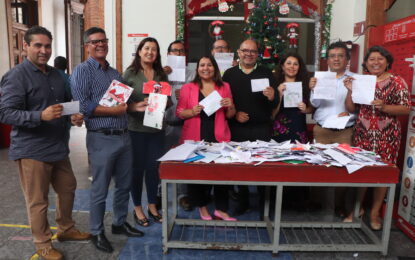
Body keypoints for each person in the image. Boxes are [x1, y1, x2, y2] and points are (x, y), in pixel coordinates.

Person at [0, 26, 90, 260]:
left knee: (68, 188)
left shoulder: (56, 75)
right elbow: (6, 113)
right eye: (38, 45)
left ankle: (66, 229)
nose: (43, 50)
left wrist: (73, 115)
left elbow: (64, 104)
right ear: (26, 47)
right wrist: (40, 115)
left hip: (58, 147)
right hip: (32, 149)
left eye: (47, 46)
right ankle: (42, 243)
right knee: (38, 201)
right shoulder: (16, 76)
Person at [71, 27, 146, 253]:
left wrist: (135, 106)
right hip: (101, 139)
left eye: (103, 41)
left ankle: (119, 223)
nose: (100, 44)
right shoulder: (82, 71)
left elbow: (122, 104)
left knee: (125, 185)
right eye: (95, 42)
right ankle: (96, 231)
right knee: (100, 188)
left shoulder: (114, 74)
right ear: (87, 46)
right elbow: (82, 105)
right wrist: (113, 112)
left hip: (124, 137)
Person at [344, 45, 410, 230]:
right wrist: (350, 90)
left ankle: (374, 213)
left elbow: (405, 108)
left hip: (387, 136)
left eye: (380, 59)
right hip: (363, 134)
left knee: (383, 174)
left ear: (387, 62)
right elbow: (350, 108)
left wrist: (385, 107)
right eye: (372, 59)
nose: (376, 62)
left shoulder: (397, 81)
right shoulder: (361, 81)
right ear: (366, 63)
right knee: (362, 172)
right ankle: (357, 209)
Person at [176, 55, 236, 220]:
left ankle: (221, 209)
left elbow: (231, 115)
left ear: (214, 68)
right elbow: (179, 112)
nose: (205, 68)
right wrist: (192, 111)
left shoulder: (224, 86)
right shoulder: (189, 87)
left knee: (221, 174)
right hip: (194, 136)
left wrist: (230, 106)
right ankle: (202, 206)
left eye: (209, 65)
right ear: (197, 69)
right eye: (202, 65)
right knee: (197, 174)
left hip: (218, 137)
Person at [222, 39, 278, 216]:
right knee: (240, 168)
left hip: (261, 128)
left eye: (253, 51)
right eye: (245, 50)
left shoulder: (266, 73)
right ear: (238, 52)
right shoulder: (229, 75)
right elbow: (224, 101)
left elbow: (276, 103)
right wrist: (235, 112)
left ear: (257, 54)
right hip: (238, 128)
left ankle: (264, 207)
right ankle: (243, 201)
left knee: (263, 169)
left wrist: (272, 96)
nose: (249, 54)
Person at [123, 37, 166, 227]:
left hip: (156, 129)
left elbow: (168, 100)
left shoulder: (160, 73)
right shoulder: (130, 73)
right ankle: (138, 207)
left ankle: (152, 205)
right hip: (136, 129)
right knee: (136, 169)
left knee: (153, 169)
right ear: (139, 51)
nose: (150, 52)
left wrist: (164, 101)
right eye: (146, 48)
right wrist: (135, 107)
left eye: (154, 49)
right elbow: (121, 103)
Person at [309, 41, 355, 216]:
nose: (336, 59)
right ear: (327, 60)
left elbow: (358, 106)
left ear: (347, 59)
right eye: (332, 56)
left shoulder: (354, 79)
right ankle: (316, 202)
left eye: (340, 56)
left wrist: (349, 114)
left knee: (343, 168)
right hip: (322, 130)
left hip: (345, 131)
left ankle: (340, 205)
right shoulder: (320, 78)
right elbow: (315, 104)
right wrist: (313, 89)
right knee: (318, 166)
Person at [163, 40, 195, 211]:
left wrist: (186, 94)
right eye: (175, 51)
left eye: (182, 51)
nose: (179, 54)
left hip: (186, 123)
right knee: (162, 160)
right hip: (165, 124)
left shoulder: (192, 73)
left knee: (184, 161)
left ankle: (183, 195)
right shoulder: (160, 72)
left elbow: (200, 96)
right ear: (169, 54)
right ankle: (160, 192)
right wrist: (160, 75)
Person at [272, 52, 313, 143]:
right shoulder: (275, 86)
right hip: (280, 131)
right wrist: (279, 94)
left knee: (299, 156)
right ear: (282, 66)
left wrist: (305, 109)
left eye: (295, 64)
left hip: (299, 129)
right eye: (289, 63)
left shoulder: (305, 85)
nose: (292, 67)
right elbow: (272, 114)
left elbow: (312, 109)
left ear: (299, 67)